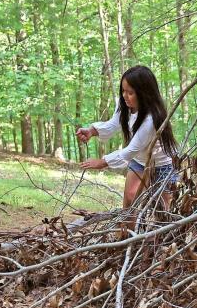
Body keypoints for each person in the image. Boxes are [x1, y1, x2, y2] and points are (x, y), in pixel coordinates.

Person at [76, 65, 179, 209]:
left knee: (164, 210)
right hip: (139, 161)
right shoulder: (124, 103)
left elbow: (130, 150)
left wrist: (103, 162)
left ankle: (156, 231)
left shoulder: (151, 119)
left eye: (130, 92)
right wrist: (92, 131)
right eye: (123, 90)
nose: (124, 95)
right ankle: (124, 231)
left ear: (144, 94)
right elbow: (114, 124)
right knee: (130, 201)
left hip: (164, 165)